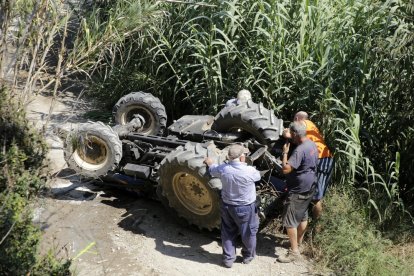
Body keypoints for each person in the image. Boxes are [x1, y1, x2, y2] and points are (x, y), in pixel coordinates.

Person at [204, 144, 261, 268]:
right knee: (248, 233)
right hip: (245, 208)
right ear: (241, 158)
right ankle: (247, 256)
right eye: (244, 155)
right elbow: (258, 176)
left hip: (227, 206)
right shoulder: (250, 171)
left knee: (228, 232)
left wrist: (209, 163)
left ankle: (228, 259)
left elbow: (213, 170)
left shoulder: (224, 169)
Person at [277, 121, 318, 263]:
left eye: (292, 135)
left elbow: (286, 169)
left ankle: (294, 252)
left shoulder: (299, 150)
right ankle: (298, 243)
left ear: (295, 134)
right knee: (302, 217)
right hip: (310, 185)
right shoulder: (311, 144)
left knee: (289, 221)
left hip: (298, 188)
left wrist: (285, 153)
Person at [283, 111, 334, 219]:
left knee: (316, 196)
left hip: (319, 158)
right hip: (327, 158)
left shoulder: (303, 123)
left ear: (297, 119)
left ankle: (315, 225)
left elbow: (289, 134)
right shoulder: (312, 125)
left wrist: (285, 133)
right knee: (318, 193)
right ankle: (315, 222)